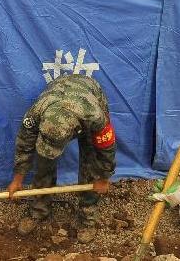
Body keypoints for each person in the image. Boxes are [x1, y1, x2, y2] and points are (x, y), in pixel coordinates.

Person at [7, 74, 116, 243]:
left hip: (88, 94)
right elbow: (24, 144)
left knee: (91, 163)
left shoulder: (94, 117)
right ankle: (39, 210)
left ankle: (87, 218)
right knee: (44, 163)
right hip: (57, 95)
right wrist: (18, 179)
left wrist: (103, 177)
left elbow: (106, 148)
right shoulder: (36, 113)